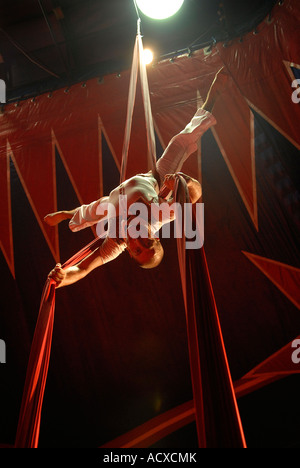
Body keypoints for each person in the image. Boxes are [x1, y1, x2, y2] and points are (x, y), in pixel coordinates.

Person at [46, 68, 228, 287]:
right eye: (146, 243)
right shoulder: (159, 216)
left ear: (130, 253)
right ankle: (214, 94)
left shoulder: (115, 242)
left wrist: (62, 278)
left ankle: (67, 215)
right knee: (180, 142)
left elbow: (84, 269)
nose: (137, 241)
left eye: (136, 250)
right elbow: (195, 194)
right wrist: (181, 182)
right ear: (155, 237)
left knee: (95, 210)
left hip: (114, 203)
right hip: (156, 180)